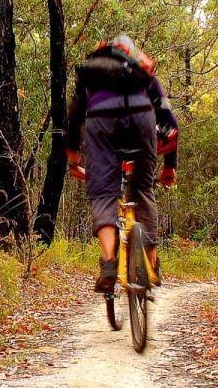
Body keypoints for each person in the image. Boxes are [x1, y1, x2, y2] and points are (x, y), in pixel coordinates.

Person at [64, 35, 179, 293]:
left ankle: (108, 263)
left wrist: (74, 158)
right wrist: (169, 168)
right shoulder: (142, 71)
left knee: (104, 192)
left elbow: (74, 117)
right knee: (142, 190)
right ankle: (150, 264)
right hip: (141, 117)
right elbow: (170, 122)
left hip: (101, 121)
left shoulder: (91, 72)